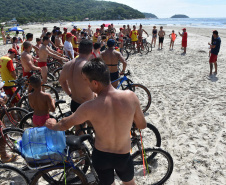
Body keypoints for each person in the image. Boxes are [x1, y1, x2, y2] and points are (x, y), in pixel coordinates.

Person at [45, 59, 147, 185]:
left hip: (102, 156)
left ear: (95, 83)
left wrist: (52, 124)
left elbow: (65, 124)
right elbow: (142, 125)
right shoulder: (131, 97)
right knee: (129, 182)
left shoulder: (89, 107)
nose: (86, 84)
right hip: (123, 154)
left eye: (86, 81)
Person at [59, 39, 95, 132]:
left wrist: (70, 94)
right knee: (96, 128)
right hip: (87, 105)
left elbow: (62, 81)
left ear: (78, 50)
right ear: (91, 51)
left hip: (74, 101)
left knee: (79, 129)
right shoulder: (88, 66)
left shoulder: (68, 64)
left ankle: (80, 145)